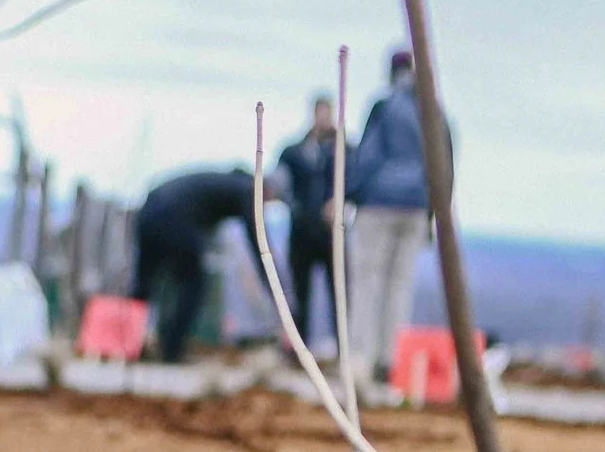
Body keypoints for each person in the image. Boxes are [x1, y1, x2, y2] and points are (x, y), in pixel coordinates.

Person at [344, 47, 449, 378]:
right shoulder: (435, 111)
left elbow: (369, 154)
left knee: (367, 282)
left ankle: (360, 358)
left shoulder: (385, 106)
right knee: (399, 284)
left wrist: (350, 194)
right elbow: (444, 164)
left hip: (378, 203)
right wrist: (434, 211)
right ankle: (390, 360)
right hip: (417, 205)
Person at [130, 168, 265, 364]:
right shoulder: (246, 189)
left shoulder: (217, 180)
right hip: (176, 219)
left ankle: (127, 347)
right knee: (193, 284)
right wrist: (270, 278)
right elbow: (257, 238)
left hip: (148, 211)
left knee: (142, 285)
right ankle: (171, 350)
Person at [273, 94, 345, 348]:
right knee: (299, 293)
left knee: (339, 293)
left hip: (332, 233)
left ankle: (341, 349)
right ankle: (298, 348)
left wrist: (339, 203)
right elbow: (279, 185)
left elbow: (355, 180)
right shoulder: (292, 152)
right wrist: (296, 208)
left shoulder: (343, 151)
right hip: (302, 231)